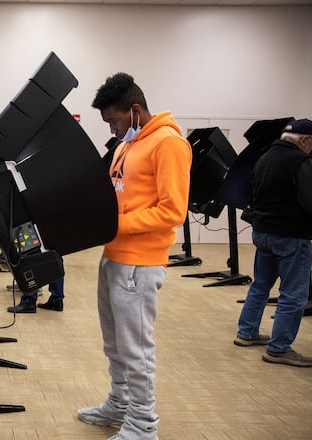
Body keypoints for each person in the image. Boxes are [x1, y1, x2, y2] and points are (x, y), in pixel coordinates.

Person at [77, 73, 191, 440]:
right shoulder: (128, 144)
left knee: (135, 348)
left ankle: (143, 425)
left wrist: (114, 224)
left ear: (135, 110)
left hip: (140, 262)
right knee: (114, 343)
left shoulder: (168, 143)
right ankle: (120, 403)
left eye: (114, 120)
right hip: (114, 255)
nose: (111, 129)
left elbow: (173, 211)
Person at [234, 118, 312, 368]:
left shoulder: (265, 158)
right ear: (305, 140)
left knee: (260, 285)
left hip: (263, 232)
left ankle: (247, 332)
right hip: (291, 235)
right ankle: (279, 348)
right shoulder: (301, 161)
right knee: (293, 294)